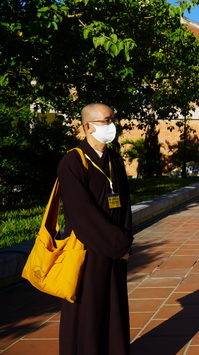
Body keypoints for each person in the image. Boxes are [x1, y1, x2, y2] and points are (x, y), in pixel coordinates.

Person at [57, 102, 133, 354]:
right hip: (88, 249)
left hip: (116, 248)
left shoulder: (114, 159)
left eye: (113, 120)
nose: (112, 126)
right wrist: (117, 243)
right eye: (106, 121)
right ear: (88, 127)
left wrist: (126, 240)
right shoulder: (72, 161)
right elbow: (81, 212)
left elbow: (125, 204)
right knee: (88, 309)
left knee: (114, 305)